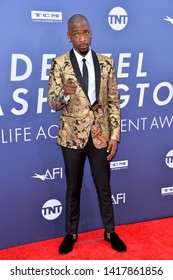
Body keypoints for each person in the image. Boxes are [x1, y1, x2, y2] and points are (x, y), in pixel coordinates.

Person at [47, 14, 127, 255]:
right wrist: (65, 94)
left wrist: (114, 136)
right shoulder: (60, 63)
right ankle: (71, 233)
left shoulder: (106, 62)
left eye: (85, 32)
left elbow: (113, 101)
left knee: (104, 185)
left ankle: (110, 231)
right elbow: (52, 102)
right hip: (72, 137)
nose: (81, 37)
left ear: (91, 33)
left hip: (100, 134)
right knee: (73, 187)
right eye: (76, 33)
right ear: (69, 36)